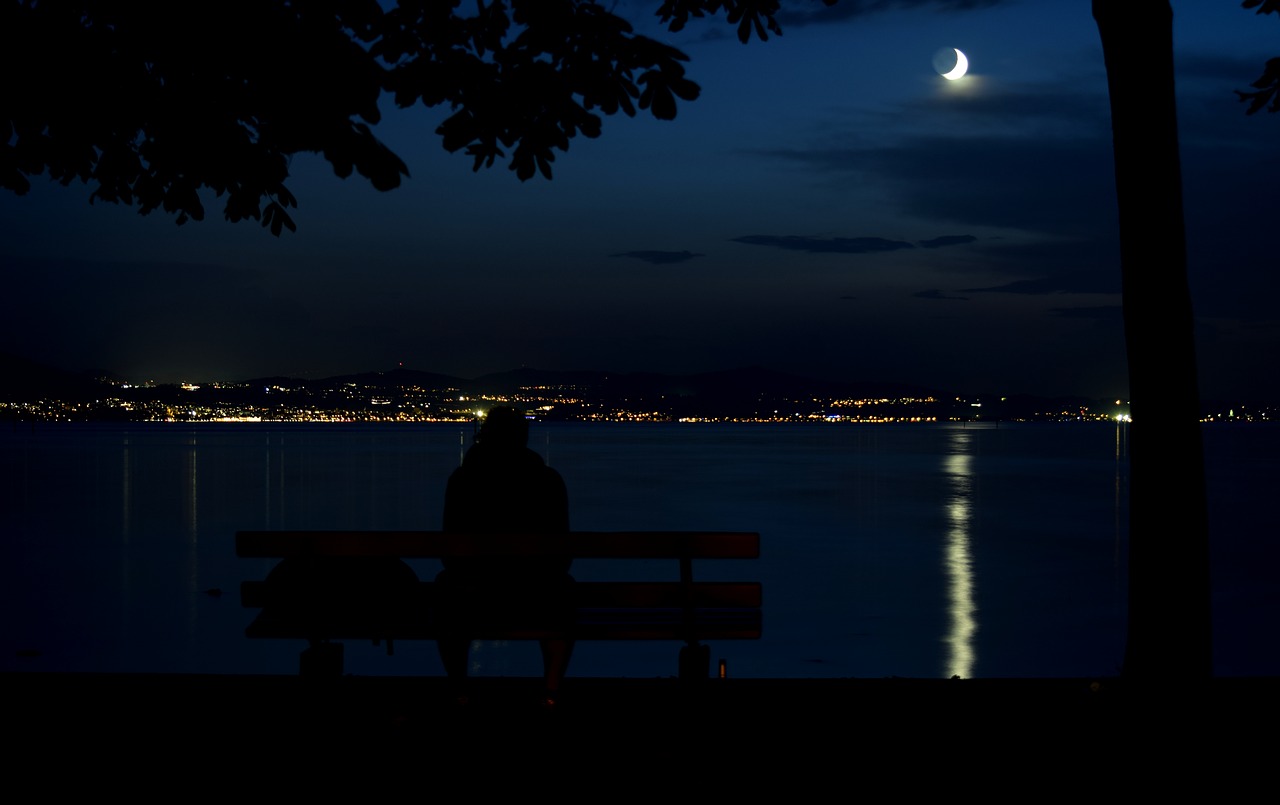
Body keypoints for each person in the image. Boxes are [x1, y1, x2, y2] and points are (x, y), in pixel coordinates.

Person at [436, 406, 574, 706]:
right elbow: (563, 550)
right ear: (523, 438)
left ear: (484, 436)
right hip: (536, 594)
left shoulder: (462, 480)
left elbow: (450, 549)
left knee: (445, 592)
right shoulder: (547, 480)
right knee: (564, 592)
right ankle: (551, 691)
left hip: (472, 595)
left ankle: (459, 690)